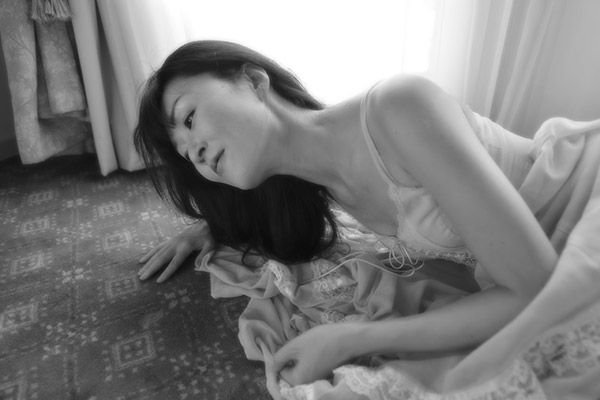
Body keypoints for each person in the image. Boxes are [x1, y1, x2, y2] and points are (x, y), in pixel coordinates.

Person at [134, 40, 600, 397]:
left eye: (189, 119)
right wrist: (208, 227)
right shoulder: (318, 189)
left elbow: (533, 290)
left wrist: (352, 338)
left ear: (254, 81)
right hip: (541, 259)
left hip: (583, 203)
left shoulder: (398, 107)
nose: (195, 151)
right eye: (185, 153)